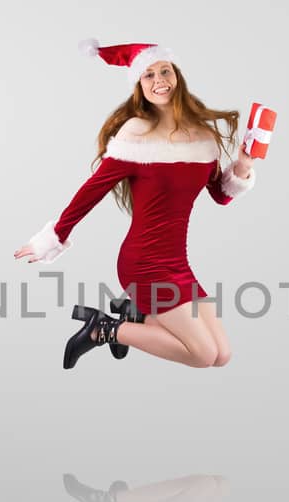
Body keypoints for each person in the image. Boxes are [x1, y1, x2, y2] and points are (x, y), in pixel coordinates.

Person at [14, 41, 262, 370]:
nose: (159, 80)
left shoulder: (201, 137)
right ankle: (103, 329)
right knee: (202, 355)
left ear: (177, 77)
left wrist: (243, 165)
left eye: (164, 71)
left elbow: (221, 195)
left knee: (221, 355)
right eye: (148, 75)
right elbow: (92, 190)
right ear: (139, 85)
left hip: (177, 263)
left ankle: (136, 316)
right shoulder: (136, 135)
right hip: (144, 264)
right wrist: (53, 236)